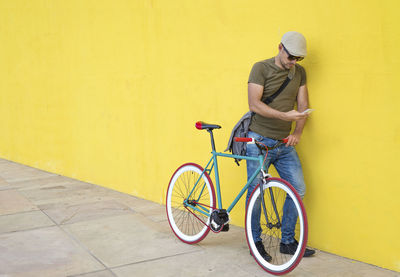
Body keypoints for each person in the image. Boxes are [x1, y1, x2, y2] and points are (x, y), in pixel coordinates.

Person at [246, 31, 315, 261]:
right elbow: (254, 104)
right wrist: (285, 117)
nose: (293, 62)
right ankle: (255, 241)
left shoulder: (299, 72)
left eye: (298, 59)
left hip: (283, 144)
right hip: (259, 141)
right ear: (280, 48)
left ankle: (287, 242)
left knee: (298, 189)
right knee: (256, 193)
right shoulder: (261, 68)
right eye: (291, 57)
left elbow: (303, 105)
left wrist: (297, 131)